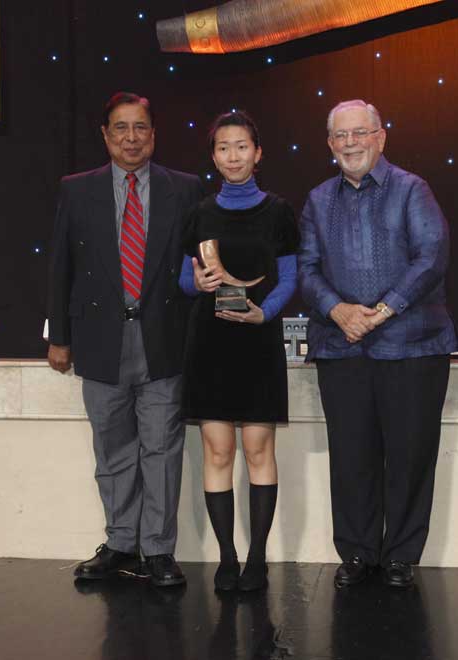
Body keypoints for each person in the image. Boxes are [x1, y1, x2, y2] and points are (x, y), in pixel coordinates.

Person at [298, 99, 458, 589]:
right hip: (341, 346)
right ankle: (356, 552)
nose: (350, 143)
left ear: (380, 137)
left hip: (412, 346)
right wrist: (339, 311)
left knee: (410, 456)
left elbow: (432, 255)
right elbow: (306, 268)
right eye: (341, 135)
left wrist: (383, 310)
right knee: (351, 456)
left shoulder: (412, 189)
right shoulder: (317, 200)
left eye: (360, 133)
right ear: (330, 144)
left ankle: (401, 556)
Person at [47, 92, 204, 588]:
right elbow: (60, 267)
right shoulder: (77, 190)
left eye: (140, 128)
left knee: (162, 450)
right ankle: (120, 543)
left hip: (163, 340)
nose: (131, 138)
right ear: (105, 134)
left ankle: (157, 550)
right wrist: (59, 336)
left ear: (153, 134)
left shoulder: (186, 189)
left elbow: (199, 266)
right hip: (99, 341)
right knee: (112, 451)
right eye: (121, 127)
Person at [179, 111, 299, 592]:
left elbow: (290, 277)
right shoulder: (199, 213)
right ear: (214, 156)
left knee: (258, 448)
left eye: (242, 146)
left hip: (258, 339)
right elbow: (183, 278)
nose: (233, 156)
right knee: (217, 449)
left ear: (258, 152)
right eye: (224, 147)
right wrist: (198, 282)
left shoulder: (279, 211)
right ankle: (227, 558)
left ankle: (257, 558)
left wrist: (263, 314)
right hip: (210, 342)